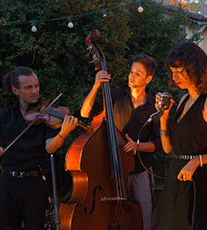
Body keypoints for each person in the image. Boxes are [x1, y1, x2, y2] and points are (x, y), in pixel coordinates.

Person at [0, 66, 78, 230]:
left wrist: (62, 134)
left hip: (34, 183)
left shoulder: (48, 114)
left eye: (36, 86)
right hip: (8, 182)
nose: (35, 91)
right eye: (28, 87)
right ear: (15, 90)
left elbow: (50, 147)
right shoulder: (6, 115)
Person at [152, 42, 207, 230]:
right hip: (175, 178)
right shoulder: (183, 99)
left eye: (179, 71)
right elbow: (169, 149)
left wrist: (197, 161)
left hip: (195, 182)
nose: (174, 77)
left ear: (194, 68)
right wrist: (164, 117)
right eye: (172, 71)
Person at [80, 54, 162, 230]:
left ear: (148, 78)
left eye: (138, 73)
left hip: (140, 171)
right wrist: (96, 86)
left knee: (143, 219)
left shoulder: (154, 105)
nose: (132, 76)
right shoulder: (116, 95)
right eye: (131, 71)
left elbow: (160, 143)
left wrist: (138, 146)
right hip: (112, 171)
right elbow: (85, 113)